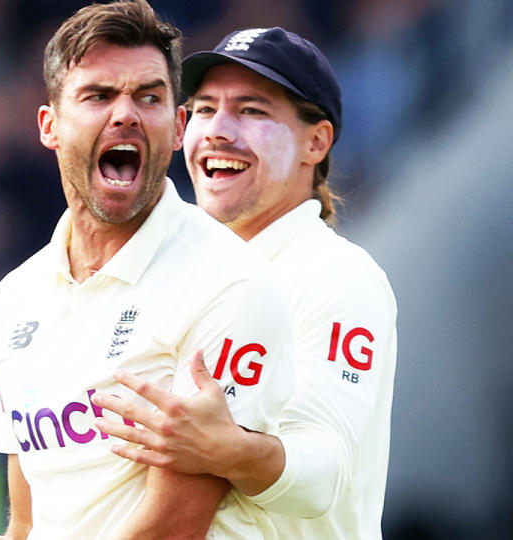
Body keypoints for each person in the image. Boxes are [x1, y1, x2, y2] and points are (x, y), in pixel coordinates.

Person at [0, 3, 296, 539]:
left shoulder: (230, 284)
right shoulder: (14, 299)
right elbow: (29, 522)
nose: (125, 114)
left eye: (148, 97)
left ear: (177, 127)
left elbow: (171, 527)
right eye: (99, 96)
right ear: (49, 126)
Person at [90, 27, 397, 539]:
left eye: (252, 111)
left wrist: (230, 450)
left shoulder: (337, 274)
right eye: (205, 109)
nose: (217, 130)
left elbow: (325, 474)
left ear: (315, 142)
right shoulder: (162, 272)